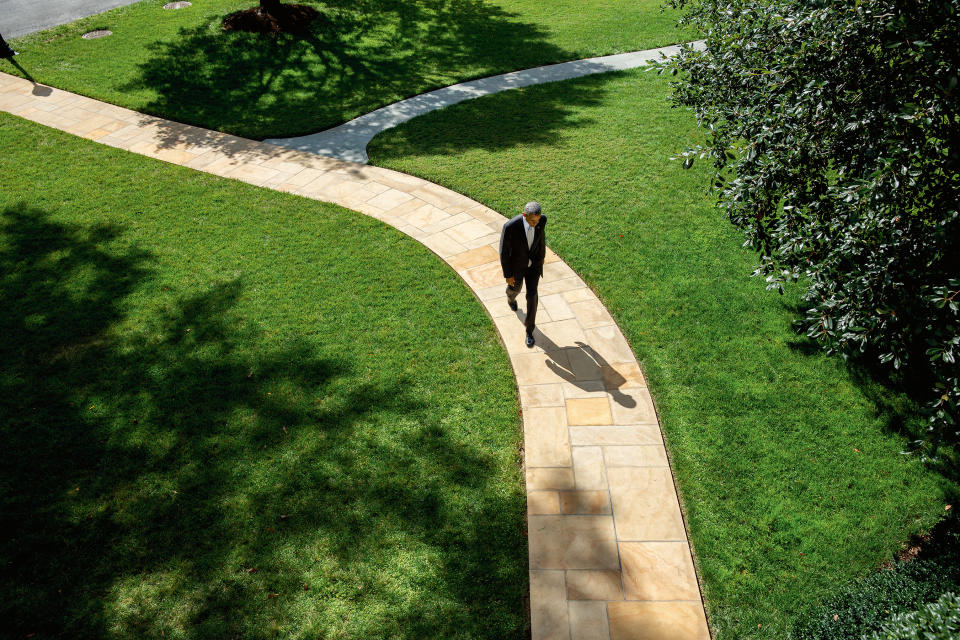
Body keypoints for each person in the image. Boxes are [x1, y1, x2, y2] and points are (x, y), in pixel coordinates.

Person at [500, 201, 547, 347]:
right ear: (524, 215)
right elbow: (504, 252)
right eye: (532, 220)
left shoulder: (541, 220)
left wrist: (542, 257)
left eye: (537, 220)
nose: (536, 223)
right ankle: (510, 298)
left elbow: (541, 240)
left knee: (532, 296)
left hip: (534, 267)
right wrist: (508, 275)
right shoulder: (510, 227)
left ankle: (529, 330)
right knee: (515, 289)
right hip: (517, 268)